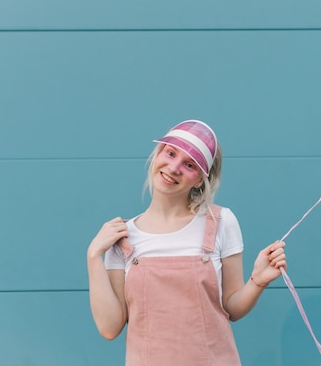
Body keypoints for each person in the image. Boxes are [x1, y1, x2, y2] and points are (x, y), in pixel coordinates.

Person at [87, 119, 287, 366]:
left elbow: (231, 308)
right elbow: (110, 328)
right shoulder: (122, 237)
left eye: (189, 164)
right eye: (170, 153)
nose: (173, 168)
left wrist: (259, 280)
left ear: (200, 179)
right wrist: (93, 255)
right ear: (158, 153)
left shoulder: (221, 222)